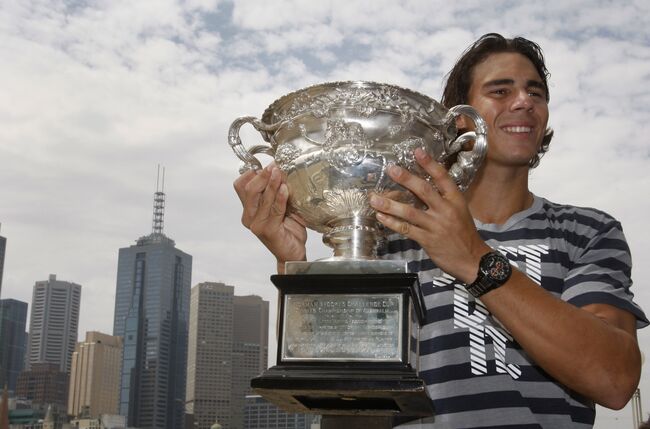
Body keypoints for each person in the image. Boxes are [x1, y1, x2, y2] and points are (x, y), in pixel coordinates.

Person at [233, 33, 647, 428]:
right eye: (501, 91)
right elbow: (332, 378)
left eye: (535, 92)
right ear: (461, 123)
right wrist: (293, 264)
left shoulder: (587, 231)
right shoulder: (387, 234)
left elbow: (613, 379)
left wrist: (473, 258)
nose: (524, 102)